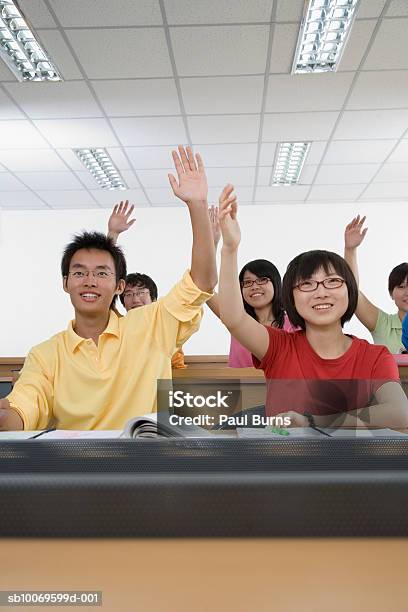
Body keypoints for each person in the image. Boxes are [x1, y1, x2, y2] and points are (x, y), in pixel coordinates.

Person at [0, 146, 217, 431]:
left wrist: (197, 206)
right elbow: (23, 410)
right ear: (65, 283)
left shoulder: (150, 327)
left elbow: (201, 283)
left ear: (118, 286)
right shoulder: (45, 355)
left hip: (145, 465)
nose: (89, 281)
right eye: (79, 272)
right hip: (77, 471)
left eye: (101, 273)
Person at [217, 189, 408, 429]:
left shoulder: (374, 357)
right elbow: (234, 318)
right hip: (282, 462)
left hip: (346, 464)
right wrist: (229, 249)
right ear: (291, 298)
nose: (321, 292)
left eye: (333, 281)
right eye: (307, 284)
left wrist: (311, 422)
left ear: (349, 292)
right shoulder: (277, 347)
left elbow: (400, 414)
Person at [206, 190, 296, 368]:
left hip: (284, 392)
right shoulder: (236, 317)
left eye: (262, 280)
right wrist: (213, 242)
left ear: (276, 284)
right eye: (247, 282)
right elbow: (205, 288)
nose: (254, 286)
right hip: (242, 393)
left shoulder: (293, 322)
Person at [107, 201, 186, 368]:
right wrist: (112, 235)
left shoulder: (167, 325)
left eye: (141, 292)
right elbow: (106, 284)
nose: (135, 299)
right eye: (128, 294)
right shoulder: (118, 326)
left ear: (154, 298)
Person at [344, 215, 408, 354]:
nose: (407, 292)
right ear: (391, 293)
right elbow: (353, 293)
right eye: (401, 286)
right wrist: (350, 250)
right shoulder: (382, 324)